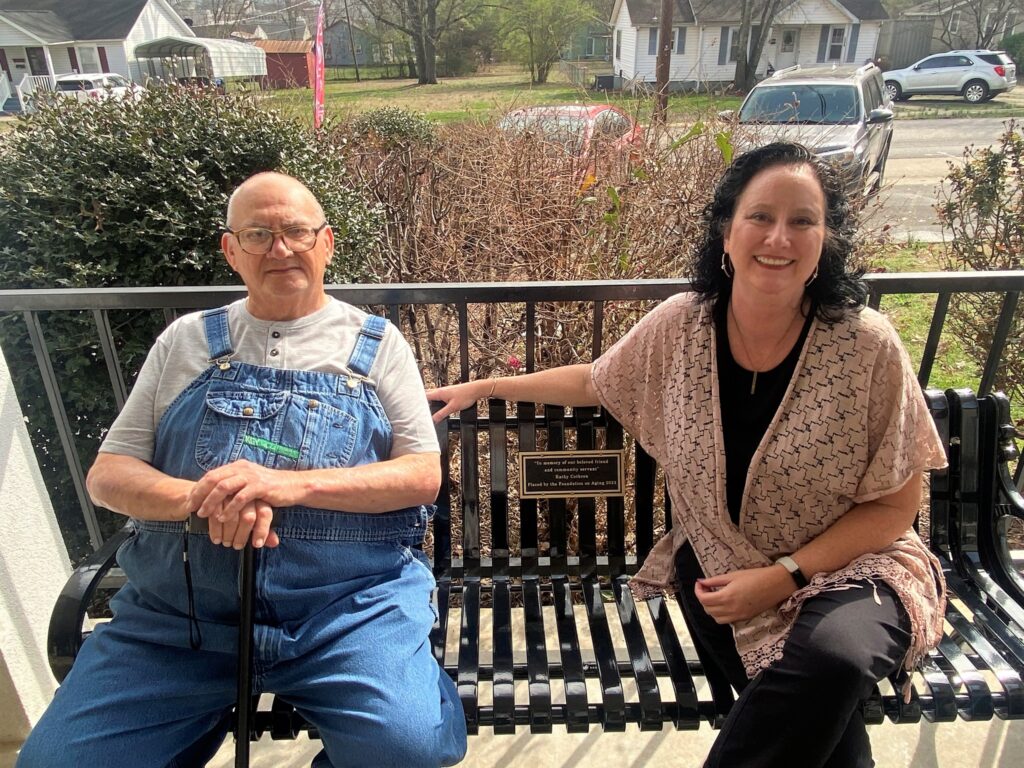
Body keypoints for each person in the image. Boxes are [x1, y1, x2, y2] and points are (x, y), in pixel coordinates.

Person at [427, 143, 947, 767]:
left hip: (855, 570)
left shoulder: (867, 346)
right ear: (726, 232)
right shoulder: (684, 326)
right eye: (761, 216)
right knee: (818, 719)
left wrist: (782, 577)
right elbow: (599, 380)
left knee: (834, 658)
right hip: (720, 566)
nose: (779, 237)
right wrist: (487, 387)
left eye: (803, 220)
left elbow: (896, 506)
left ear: (825, 241)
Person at [19, 172, 467, 768]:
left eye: (296, 232)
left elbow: (420, 476)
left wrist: (286, 484)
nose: (280, 249)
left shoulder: (377, 344)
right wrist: (208, 496)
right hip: (179, 619)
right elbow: (109, 473)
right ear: (232, 250)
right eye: (258, 234)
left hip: (347, 611)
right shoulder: (185, 341)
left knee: (405, 749)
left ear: (326, 243)